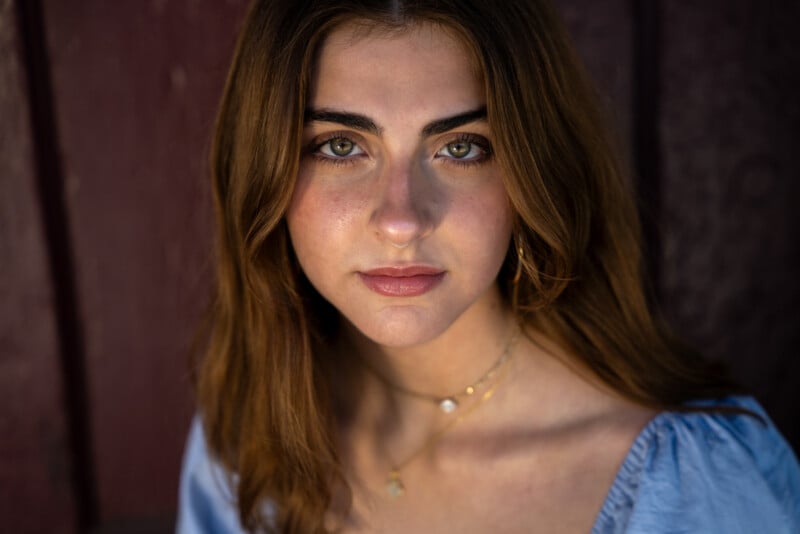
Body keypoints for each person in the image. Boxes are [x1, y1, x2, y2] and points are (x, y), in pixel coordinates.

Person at [176, 0, 800, 532]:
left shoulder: (691, 480)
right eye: (341, 146)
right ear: (264, 174)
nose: (401, 219)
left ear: (532, 171)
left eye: (461, 147)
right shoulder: (245, 439)